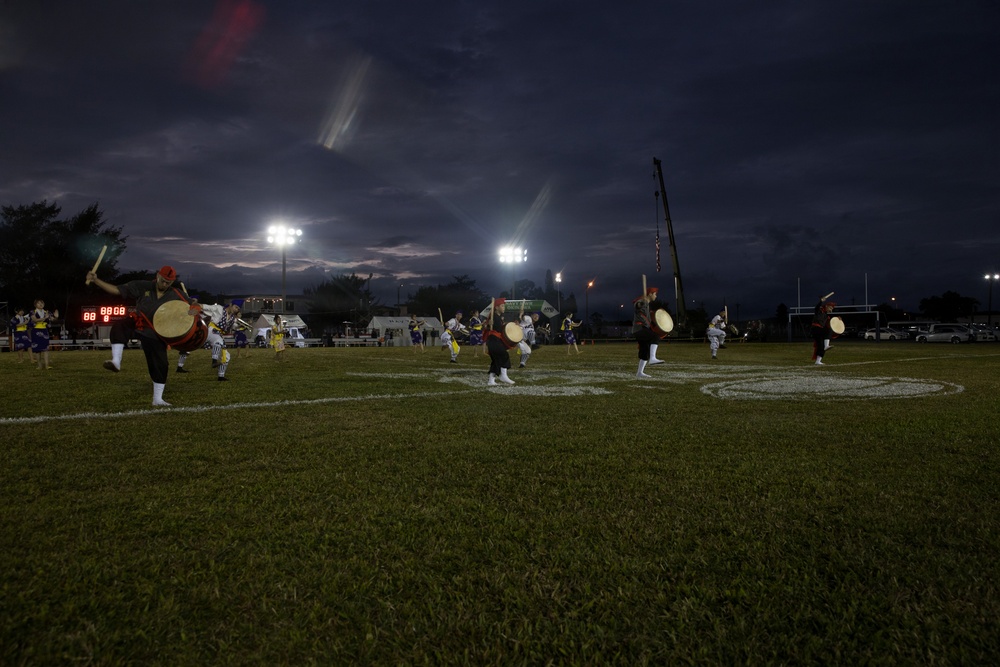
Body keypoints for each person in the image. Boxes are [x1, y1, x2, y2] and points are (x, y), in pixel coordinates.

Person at [87, 265, 201, 406]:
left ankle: (157, 399)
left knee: (161, 364)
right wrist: (97, 281)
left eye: (168, 282)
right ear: (158, 275)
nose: (165, 284)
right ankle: (116, 361)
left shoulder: (176, 293)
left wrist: (195, 309)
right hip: (139, 322)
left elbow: (194, 304)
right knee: (120, 325)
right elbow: (117, 290)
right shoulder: (143, 286)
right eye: (163, 280)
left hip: (156, 331)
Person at [176, 302, 238, 380]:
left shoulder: (232, 318)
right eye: (236, 307)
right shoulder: (219, 308)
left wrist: (241, 327)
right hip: (209, 331)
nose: (236, 310)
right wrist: (197, 305)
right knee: (218, 341)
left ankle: (221, 376)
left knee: (226, 355)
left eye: (238, 309)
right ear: (230, 305)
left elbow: (234, 327)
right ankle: (214, 361)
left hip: (217, 334)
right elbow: (207, 307)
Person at [484, 298, 515, 385]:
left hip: (496, 340)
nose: (504, 307)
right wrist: (488, 325)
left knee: (496, 360)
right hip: (493, 340)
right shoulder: (493, 317)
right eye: (502, 306)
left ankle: (491, 380)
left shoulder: (498, 317)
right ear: (496, 307)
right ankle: (503, 376)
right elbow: (486, 328)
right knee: (503, 355)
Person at [632, 287, 659, 378]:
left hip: (642, 329)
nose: (656, 296)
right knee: (655, 337)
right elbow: (637, 305)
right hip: (639, 328)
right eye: (655, 294)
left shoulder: (647, 305)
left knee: (645, 351)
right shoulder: (642, 302)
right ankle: (653, 358)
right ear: (650, 294)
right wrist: (641, 302)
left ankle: (639, 373)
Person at [30, 300, 58, 369]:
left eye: (42, 303)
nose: (41, 304)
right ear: (35, 305)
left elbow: (52, 319)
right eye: (39, 303)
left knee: (46, 349)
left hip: (44, 330)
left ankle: (46, 365)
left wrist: (56, 317)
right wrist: (45, 318)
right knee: (37, 350)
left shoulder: (47, 312)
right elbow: (35, 320)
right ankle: (39, 365)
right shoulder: (33, 312)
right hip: (36, 330)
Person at [812, 296, 835, 365]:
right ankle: (827, 345)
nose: (831, 309)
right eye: (831, 308)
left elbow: (831, 323)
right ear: (827, 306)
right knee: (828, 330)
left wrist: (838, 319)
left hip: (820, 330)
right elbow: (816, 307)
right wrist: (821, 301)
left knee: (821, 346)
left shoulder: (826, 315)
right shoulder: (819, 310)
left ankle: (818, 361)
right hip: (815, 328)